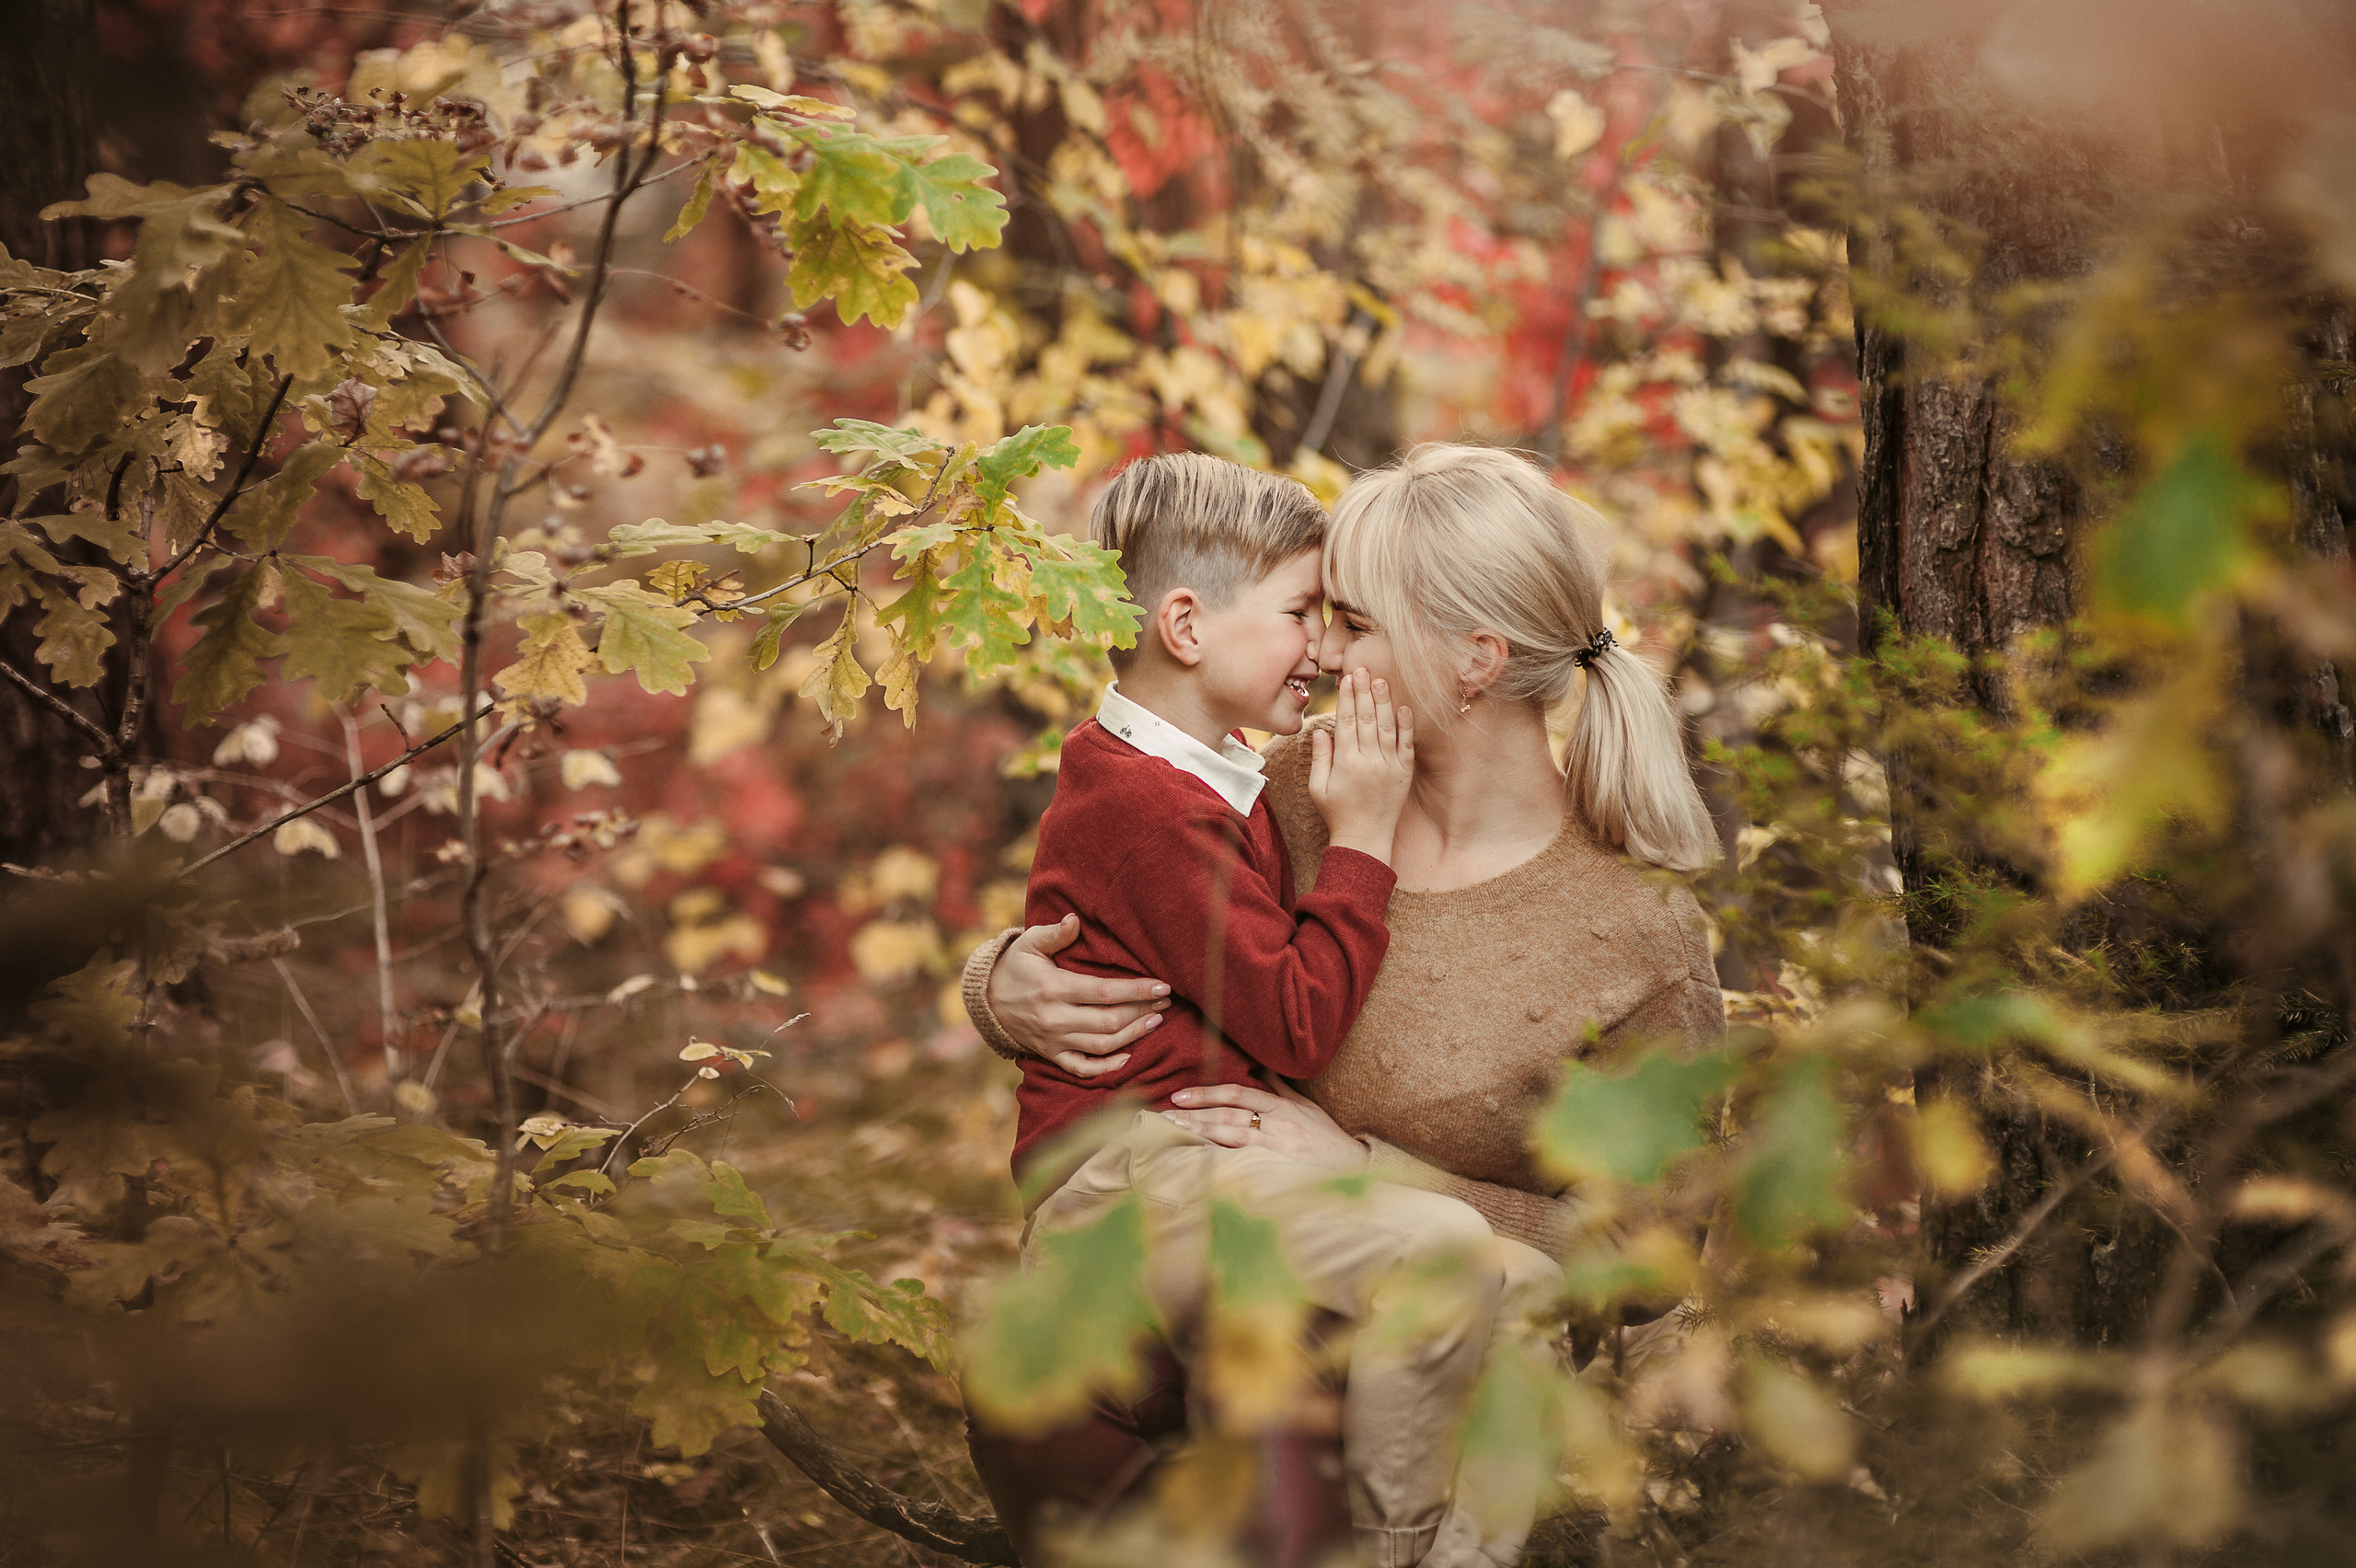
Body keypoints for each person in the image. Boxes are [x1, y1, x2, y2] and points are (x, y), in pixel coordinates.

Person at [965, 444, 1727, 1560]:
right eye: (1315, 616)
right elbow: (1129, 881)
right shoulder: (1296, 791)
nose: (1319, 652)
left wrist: (1374, 1169)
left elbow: (1651, 1262)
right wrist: (1002, 985)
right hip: (1192, 1336)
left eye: (1354, 624)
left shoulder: (1631, 932)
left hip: (1422, 1386)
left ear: (1475, 658)